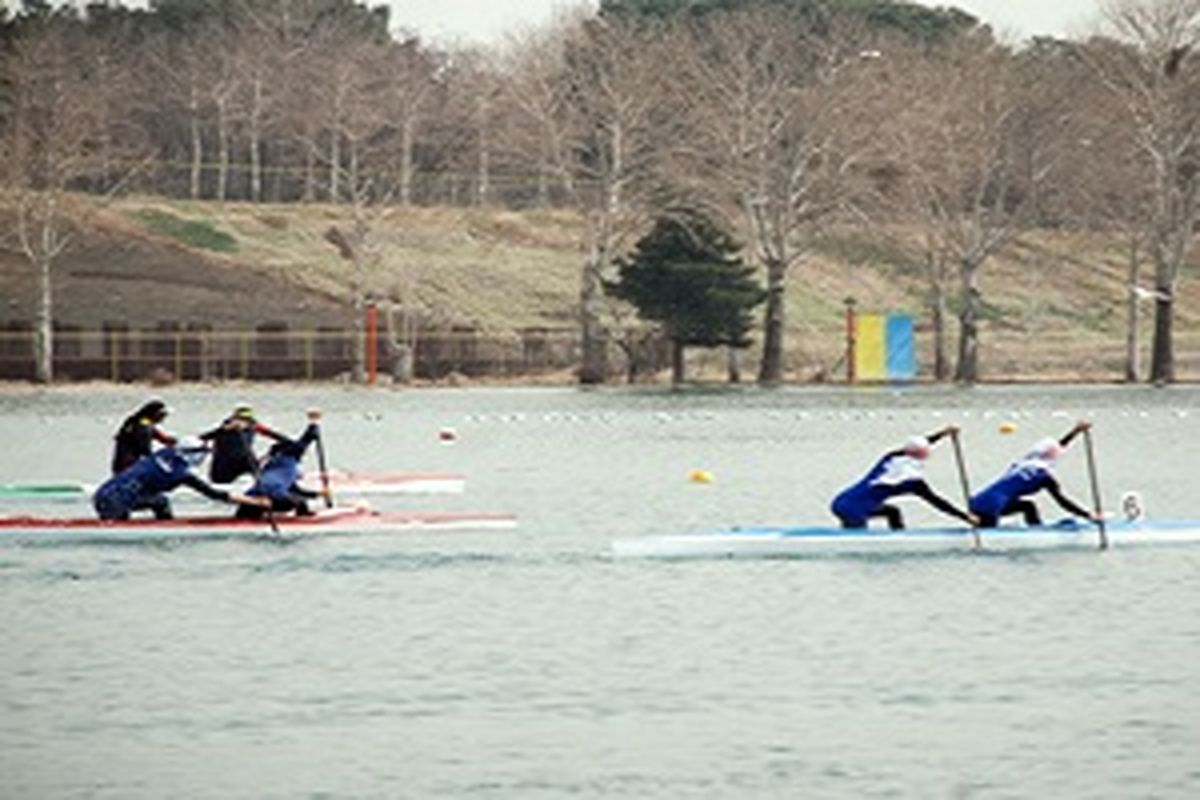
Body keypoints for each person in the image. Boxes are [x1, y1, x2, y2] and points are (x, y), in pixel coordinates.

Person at [831, 426, 977, 530]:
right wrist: (965, 517)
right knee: (857, 544)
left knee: (892, 512)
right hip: (855, 510)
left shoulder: (891, 457)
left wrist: (943, 433)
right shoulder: (912, 480)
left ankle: (899, 537)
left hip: (840, 501)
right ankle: (898, 540)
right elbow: (937, 502)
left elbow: (917, 445)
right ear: (923, 454)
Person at [93, 436, 263, 521]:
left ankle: (161, 525)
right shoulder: (180, 474)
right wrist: (256, 502)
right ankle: (165, 527)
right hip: (115, 504)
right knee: (162, 502)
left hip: (101, 495)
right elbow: (215, 494)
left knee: (158, 500)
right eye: (202, 454)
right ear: (193, 455)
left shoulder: (165, 452)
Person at [969, 421, 1099, 528]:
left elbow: (1057, 447)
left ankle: (1035, 529)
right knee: (987, 542)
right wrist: (1088, 515)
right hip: (992, 508)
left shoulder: (1021, 463)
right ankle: (1036, 534)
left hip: (975, 503)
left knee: (1028, 506)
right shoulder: (1044, 477)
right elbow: (1063, 502)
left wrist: (1075, 431)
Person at [235, 410, 326, 519]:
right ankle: (304, 516)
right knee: (300, 502)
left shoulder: (268, 465)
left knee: (249, 509)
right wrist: (314, 422)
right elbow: (308, 437)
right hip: (275, 497)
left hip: (251, 496)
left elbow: (294, 489)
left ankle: (240, 519)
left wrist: (317, 494)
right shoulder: (289, 455)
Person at [198, 403, 285, 484]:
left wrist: (289, 443)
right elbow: (203, 438)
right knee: (219, 480)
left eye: (247, 420)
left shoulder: (254, 426)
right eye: (240, 419)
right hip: (225, 465)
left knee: (254, 465)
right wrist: (227, 429)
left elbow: (273, 435)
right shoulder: (225, 428)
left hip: (245, 460)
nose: (243, 422)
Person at [111, 399, 176, 474]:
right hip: (128, 466)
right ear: (155, 414)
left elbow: (161, 437)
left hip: (121, 465)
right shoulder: (143, 426)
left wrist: (171, 442)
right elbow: (144, 449)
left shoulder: (140, 422)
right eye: (163, 415)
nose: (164, 418)